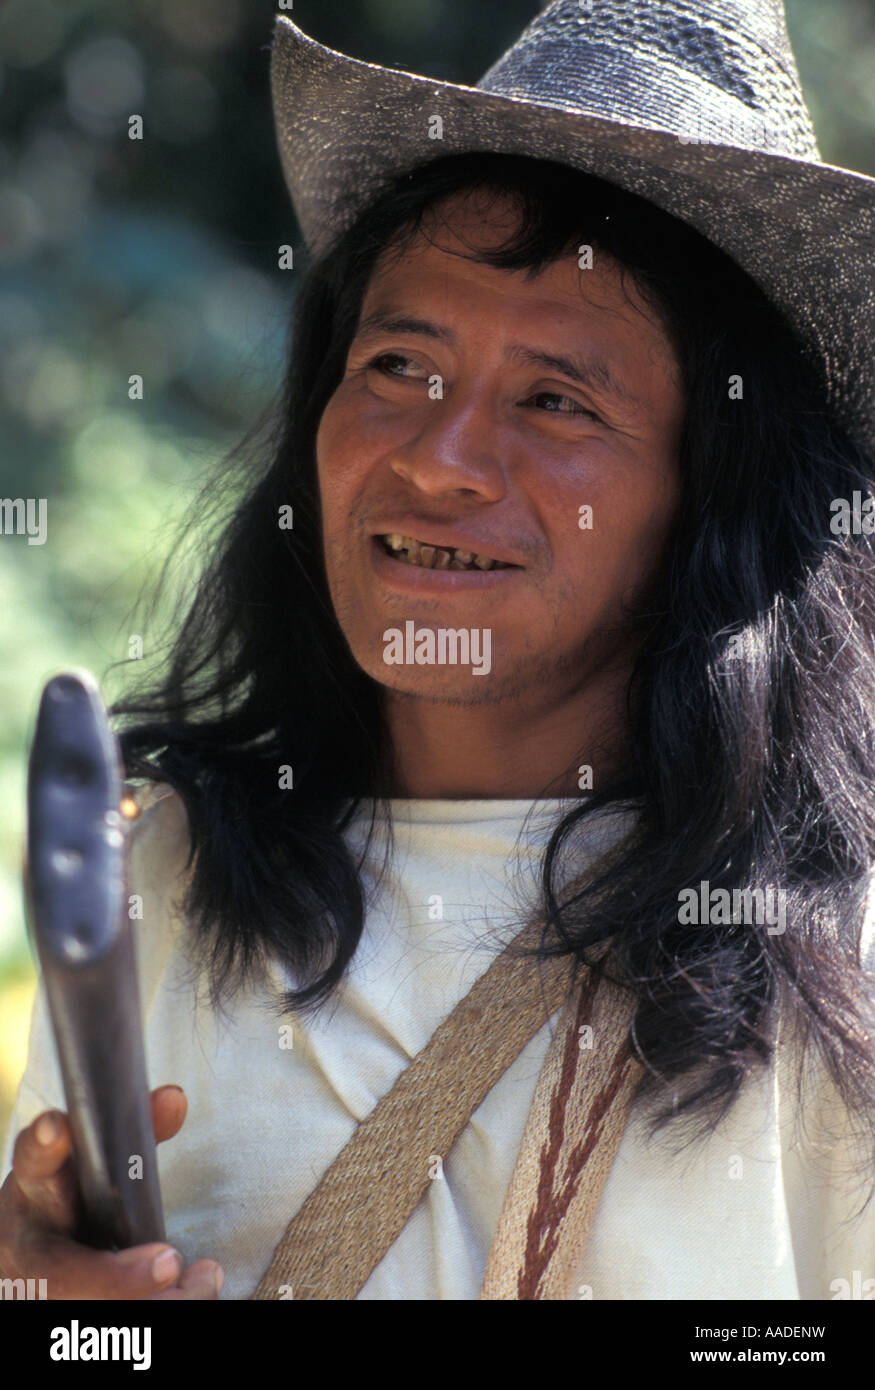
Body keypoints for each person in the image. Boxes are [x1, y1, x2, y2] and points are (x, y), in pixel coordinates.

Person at [1, 0, 874, 1302]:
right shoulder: (166, 885)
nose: (436, 458)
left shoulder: (836, 962)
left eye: (555, 399)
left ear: (716, 495)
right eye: (400, 364)